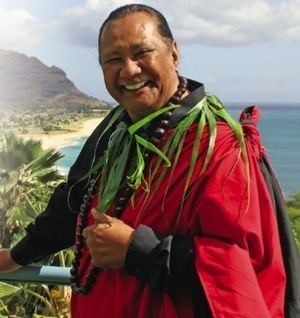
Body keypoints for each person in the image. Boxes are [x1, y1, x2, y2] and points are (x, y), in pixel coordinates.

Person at [0, 4, 299, 318]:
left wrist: (135, 249)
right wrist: (18, 255)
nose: (129, 70)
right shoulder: (117, 128)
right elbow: (75, 200)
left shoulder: (219, 149)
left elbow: (243, 270)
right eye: (114, 59)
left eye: (142, 52)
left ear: (173, 53)